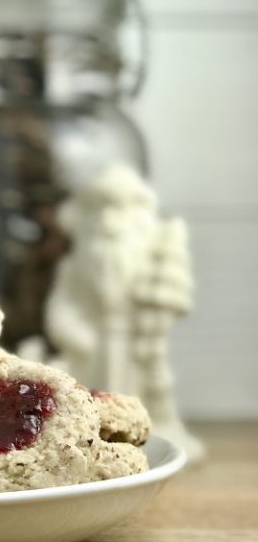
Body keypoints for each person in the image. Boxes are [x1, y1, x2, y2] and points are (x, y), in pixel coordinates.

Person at [46, 164, 203, 461]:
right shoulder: (73, 266)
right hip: (90, 350)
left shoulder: (150, 261)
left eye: (120, 211)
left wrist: (153, 325)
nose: (109, 222)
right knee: (89, 400)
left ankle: (147, 435)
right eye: (101, 210)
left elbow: (162, 300)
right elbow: (61, 308)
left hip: (133, 346)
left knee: (139, 397)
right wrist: (77, 336)